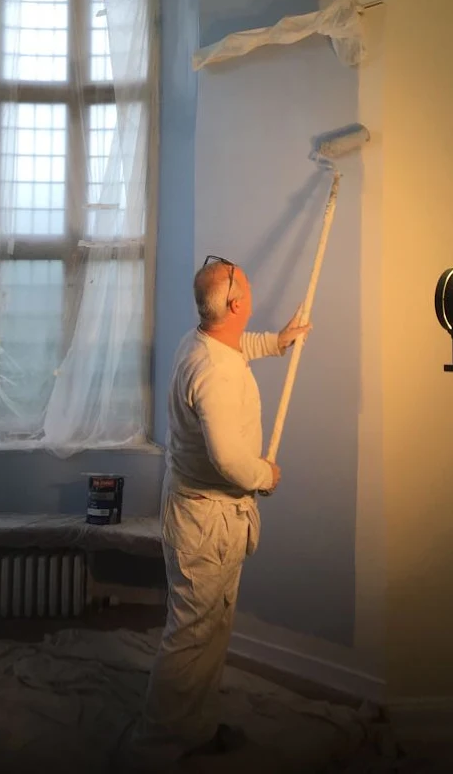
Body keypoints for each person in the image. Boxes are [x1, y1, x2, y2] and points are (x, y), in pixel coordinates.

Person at [129, 255, 311, 770]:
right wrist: (265, 475)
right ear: (235, 304)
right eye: (246, 285)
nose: (251, 285)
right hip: (205, 521)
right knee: (190, 636)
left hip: (207, 515)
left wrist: (276, 341)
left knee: (211, 628)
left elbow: (238, 347)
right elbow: (229, 461)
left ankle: (195, 729)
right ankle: (154, 750)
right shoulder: (211, 374)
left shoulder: (205, 340)